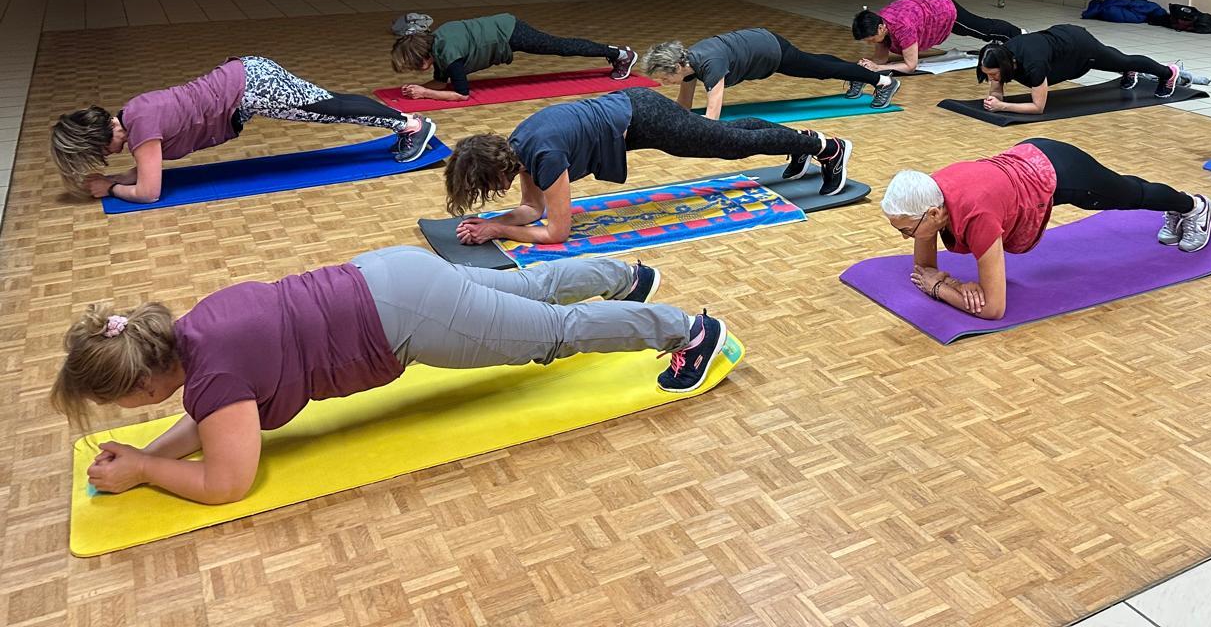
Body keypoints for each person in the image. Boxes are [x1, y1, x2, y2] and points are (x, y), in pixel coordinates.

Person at [51, 248, 729, 504]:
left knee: (549, 336)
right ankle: (627, 273)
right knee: (525, 289)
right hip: (386, 272)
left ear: (140, 387)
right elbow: (211, 421)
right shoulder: (197, 328)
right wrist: (145, 456)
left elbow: (226, 480)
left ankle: (687, 331)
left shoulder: (212, 380)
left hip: (406, 315)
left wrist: (144, 472)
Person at [441, 87, 853, 245]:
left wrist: (500, 230)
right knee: (729, 138)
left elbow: (557, 232)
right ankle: (797, 141)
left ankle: (826, 147)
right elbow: (533, 209)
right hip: (634, 114)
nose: (491, 193)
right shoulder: (521, 144)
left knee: (731, 145)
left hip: (643, 117)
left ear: (495, 171)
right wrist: (493, 222)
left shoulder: (543, 157)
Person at [879, 139, 1211, 320]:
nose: (907, 238)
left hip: (1062, 172)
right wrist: (949, 281)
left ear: (935, 212)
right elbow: (923, 268)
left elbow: (993, 308)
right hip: (1027, 157)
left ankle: (1193, 206)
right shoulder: (928, 193)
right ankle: (1182, 208)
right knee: (1129, 192)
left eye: (909, 231)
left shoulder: (976, 216)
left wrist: (940, 287)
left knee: (1130, 194)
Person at [50, 57, 437, 203]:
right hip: (245, 81)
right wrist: (118, 178)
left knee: (328, 108)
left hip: (251, 87)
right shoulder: (133, 115)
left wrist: (110, 188)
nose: (103, 159)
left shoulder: (141, 125)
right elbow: (143, 168)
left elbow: (149, 191)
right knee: (328, 104)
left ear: (98, 140)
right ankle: (405, 122)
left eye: (96, 154)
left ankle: (412, 125)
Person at [641, 29, 899, 119]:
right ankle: (859, 74)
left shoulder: (711, 65)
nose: (664, 84)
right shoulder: (689, 64)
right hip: (758, 41)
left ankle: (882, 81)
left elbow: (712, 116)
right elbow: (684, 106)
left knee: (820, 69)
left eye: (665, 78)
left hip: (771, 50)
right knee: (819, 64)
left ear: (676, 66)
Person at [390, 12, 636, 101]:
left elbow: (461, 94)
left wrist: (425, 93)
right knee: (561, 46)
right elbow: (442, 82)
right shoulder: (438, 41)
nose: (415, 69)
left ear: (424, 58)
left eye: (414, 66)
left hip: (510, 32)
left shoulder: (449, 54)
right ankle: (617, 53)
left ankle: (620, 54)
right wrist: (419, 88)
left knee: (561, 47)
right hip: (502, 25)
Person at [976, 25, 1196, 114]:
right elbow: (996, 87)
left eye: (994, 74)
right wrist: (992, 100)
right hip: (1059, 43)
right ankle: (1127, 70)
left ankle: (1168, 73)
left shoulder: (1034, 63)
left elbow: (1038, 107)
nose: (993, 79)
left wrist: (1003, 106)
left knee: (1123, 61)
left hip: (1079, 47)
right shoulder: (1001, 55)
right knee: (1116, 59)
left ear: (1006, 65)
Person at [850, 0, 1021, 78]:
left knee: (981, 29)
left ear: (881, 28)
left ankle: (1018, 34)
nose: (870, 43)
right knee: (979, 29)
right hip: (925, 7)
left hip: (942, 10)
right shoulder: (880, 25)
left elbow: (911, 65)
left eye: (871, 39)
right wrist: (870, 64)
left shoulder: (902, 27)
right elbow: (881, 59)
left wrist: (879, 68)